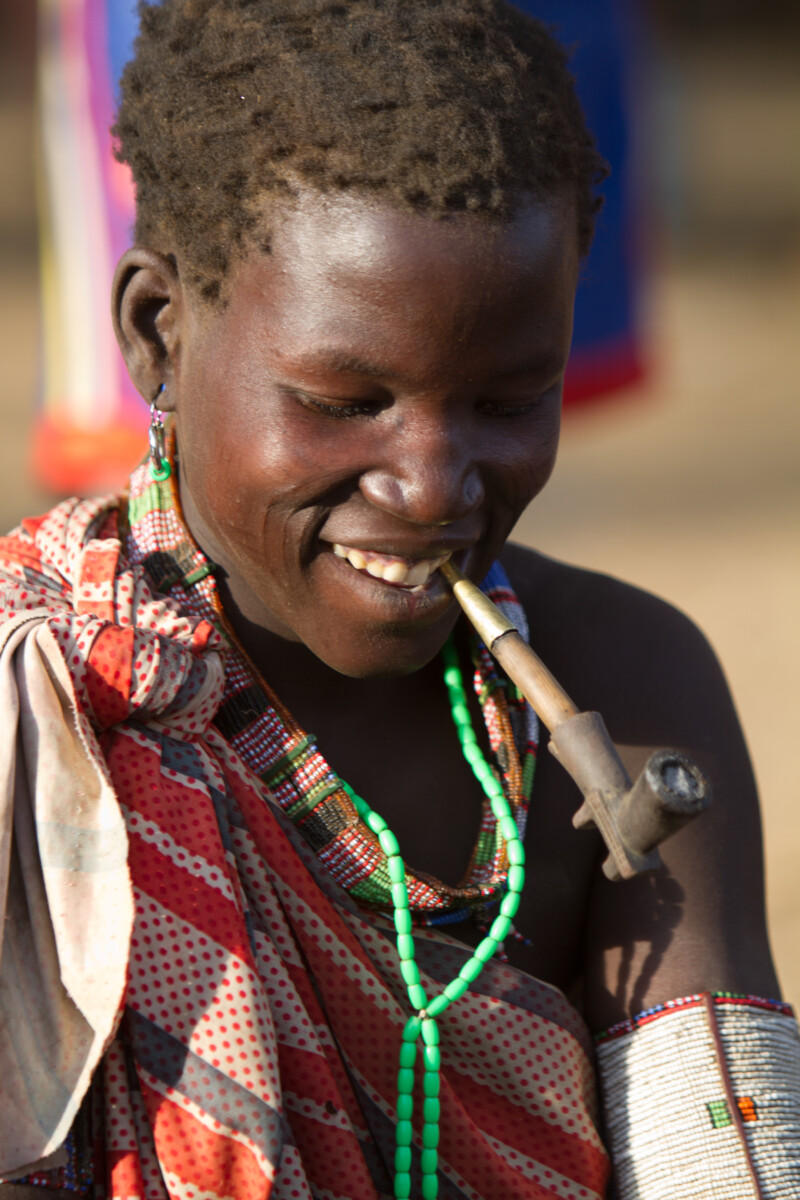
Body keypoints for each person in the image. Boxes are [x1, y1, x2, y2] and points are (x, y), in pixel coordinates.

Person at [0, 2, 797, 1197]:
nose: (433, 486)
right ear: (157, 332)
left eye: (508, 398)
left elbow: (724, 1159)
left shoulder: (622, 692)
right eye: (345, 400)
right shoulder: (35, 709)